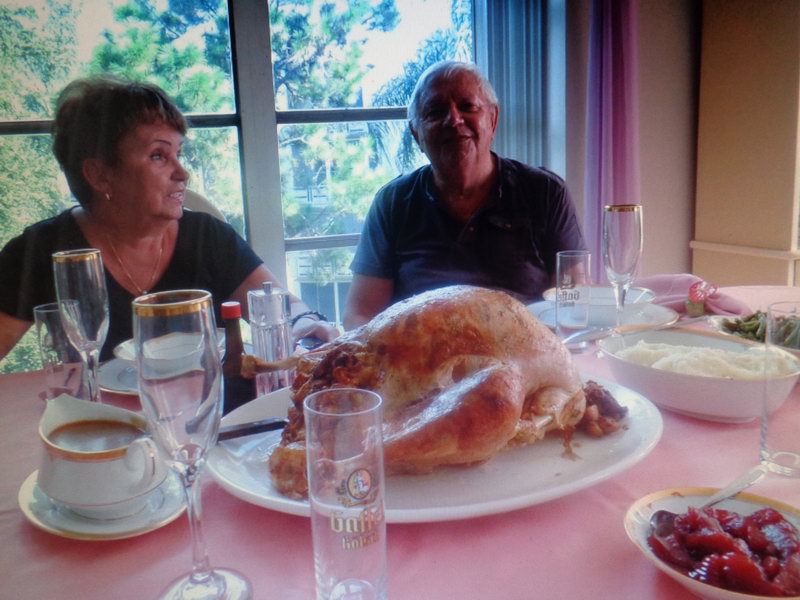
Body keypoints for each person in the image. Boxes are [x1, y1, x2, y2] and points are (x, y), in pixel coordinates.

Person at [0, 75, 338, 363]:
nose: (182, 173)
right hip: (96, 420)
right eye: (158, 156)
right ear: (100, 175)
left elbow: (281, 307)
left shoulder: (207, 237)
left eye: (179, 153)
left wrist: (305, 324)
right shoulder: (42, 250)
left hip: (209, 413)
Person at [343, 61, 587, 329]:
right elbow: (360, 315)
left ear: (492, 120)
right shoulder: (392, 203)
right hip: (423, 352)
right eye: (435, 112)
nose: (454, 120)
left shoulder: (546, 192)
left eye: (468, 106)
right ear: (416, 133)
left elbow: (573, 302)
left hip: (523, 348)